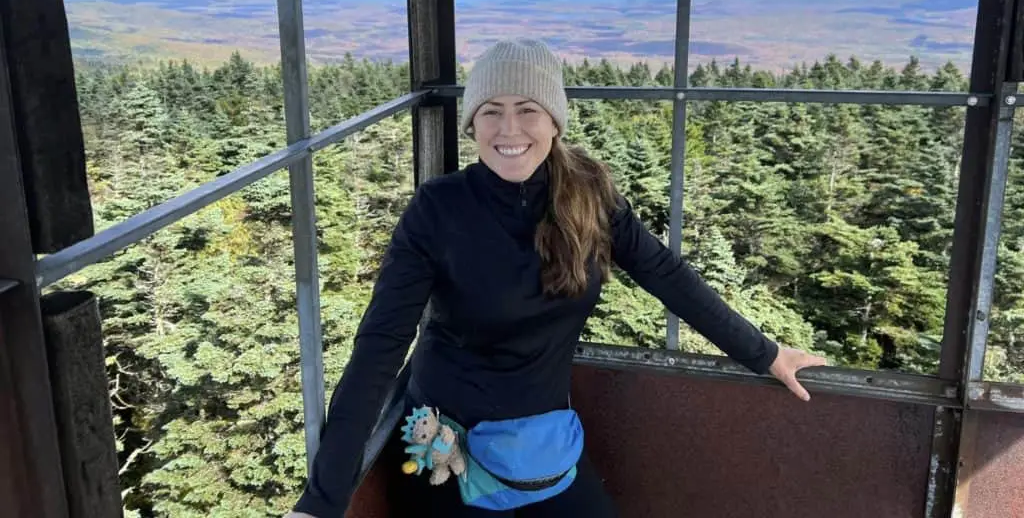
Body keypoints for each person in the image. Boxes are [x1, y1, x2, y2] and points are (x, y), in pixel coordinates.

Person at [285, 38, 825, 518]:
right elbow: (381, 347)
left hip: (543, 447)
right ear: (472, 122)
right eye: (491, 111)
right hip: (447, 450)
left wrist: (766, 353)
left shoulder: (588, 192)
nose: (510, 129)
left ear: (555, 121)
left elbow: (664, 272)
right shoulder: (439, 209)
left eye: (527, 110)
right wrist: (322, 501)